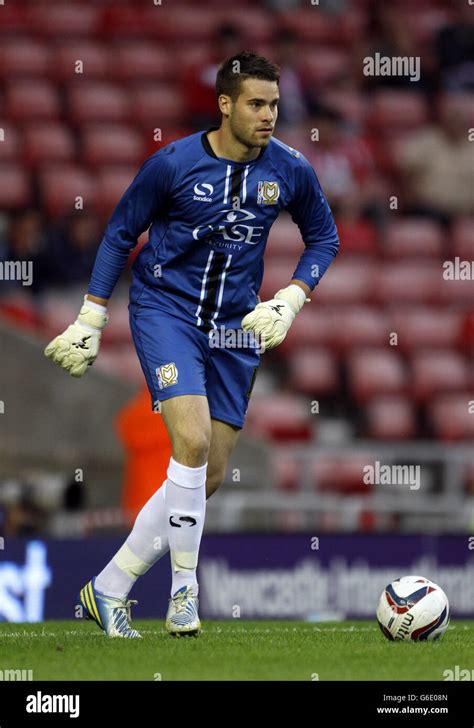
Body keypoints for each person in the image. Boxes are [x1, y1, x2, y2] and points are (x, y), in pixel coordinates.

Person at [44, 52, 340, 638]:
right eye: (256, 104)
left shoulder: (290, 170)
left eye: (275, 104)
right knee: (194, 439)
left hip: (236, 328)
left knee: (205, 475)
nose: (268, 116)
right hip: (167, 312)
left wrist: (291, 298)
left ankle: (108, 587)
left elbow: (323, 237)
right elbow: (119, 234)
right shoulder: (171, 164)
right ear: (225, 105)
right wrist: (91, 316)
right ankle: (185, 593)